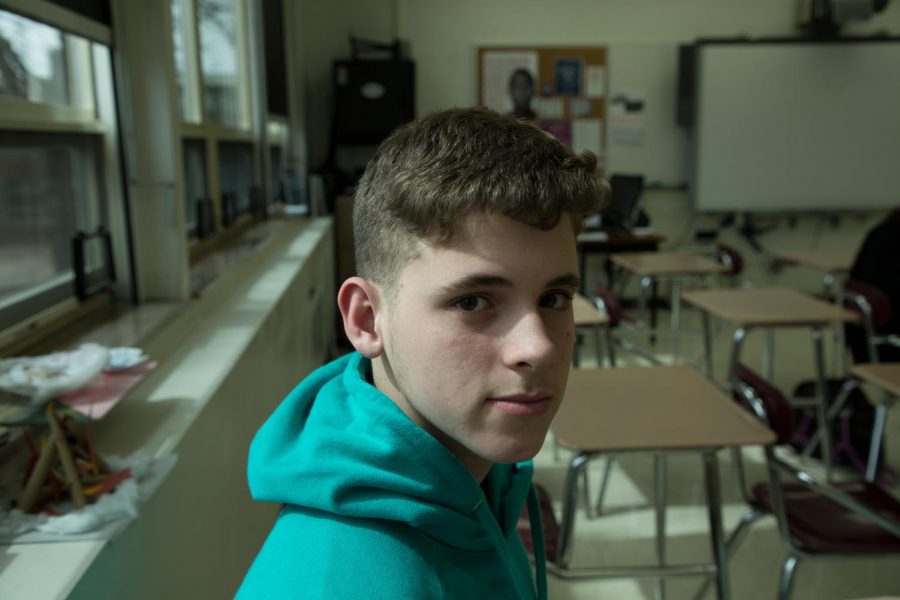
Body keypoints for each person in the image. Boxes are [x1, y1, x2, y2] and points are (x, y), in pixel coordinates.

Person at [237, 107, 605, 599]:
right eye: (473, 302)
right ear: (367, 319)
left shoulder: (474, 473)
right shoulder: (341, 584)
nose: (537, 347)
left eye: (554, 299)